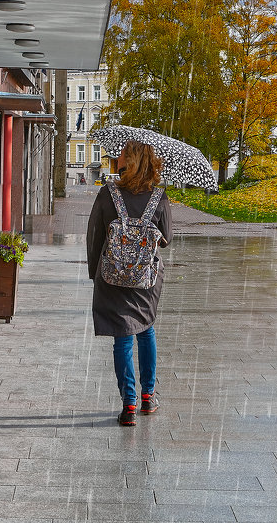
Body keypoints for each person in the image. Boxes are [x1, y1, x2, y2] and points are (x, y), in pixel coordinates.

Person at [86, 140, 172, 426]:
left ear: (131, 161)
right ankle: (149, 396)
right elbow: (167, 237)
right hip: (145, 280)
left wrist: (95, 272)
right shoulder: (159, 197)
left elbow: (95, 236)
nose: (117, 156)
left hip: (112, 277)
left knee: (122, 338)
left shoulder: (108, 194)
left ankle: (129, 405)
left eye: (122, 153)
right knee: (145, 330)